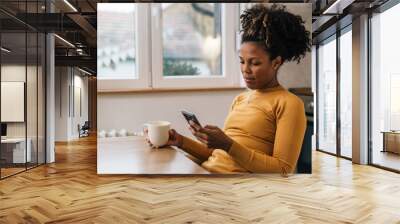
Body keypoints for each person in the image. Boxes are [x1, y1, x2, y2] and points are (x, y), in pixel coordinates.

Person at [146, 4, 311, 175]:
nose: (245, 69)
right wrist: (180, 141)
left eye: (255, 63)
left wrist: (228, 144)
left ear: (276, 62)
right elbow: (217, 155)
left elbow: (283, 169)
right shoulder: (240, 99)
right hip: (208, 175)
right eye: (242, 61)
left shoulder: (289, 103)